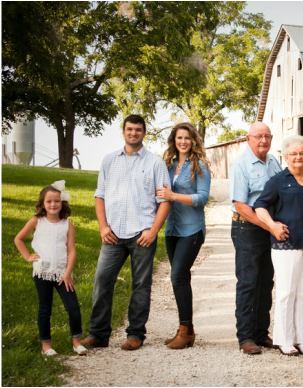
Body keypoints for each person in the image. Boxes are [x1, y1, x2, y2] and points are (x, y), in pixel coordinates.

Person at [82, 115, 171, 351]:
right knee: (102, 280)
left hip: (142, 234)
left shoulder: (155, 163)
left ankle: (135, 334)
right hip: (113, 235)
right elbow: (99, 196)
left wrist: (153, 232)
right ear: (123, 132)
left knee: (140, 284)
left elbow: (165, 201)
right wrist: (103, 227)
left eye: (138, 130)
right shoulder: (109, 160)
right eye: (130, 129)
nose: (134, 133)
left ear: (144, 133)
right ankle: (98, 334)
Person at [254, 135, 303, 356]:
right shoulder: (278, 181)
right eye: (294, 153)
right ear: (286, 157)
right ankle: (284, 340)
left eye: (302, 153)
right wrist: (272, 226)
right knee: (287, 292)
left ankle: (302, 340)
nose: (298, 157)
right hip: (287, 245)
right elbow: (260, 206)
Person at [14, 181, 88, 356]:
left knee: (73, 307)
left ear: (62, 203)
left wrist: (68, 274)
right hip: (42, 271)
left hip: (63, 273)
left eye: (57, 201)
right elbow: (19, 239)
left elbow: (71, 250)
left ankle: (76, 342)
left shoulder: (67, 225)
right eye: (49, 201)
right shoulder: (36, 221)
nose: (53, 204)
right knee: (45, 309)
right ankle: (46, 346)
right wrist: (27, 256)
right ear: (43, 204)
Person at [229, 122, 283, 355]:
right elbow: (240, 205)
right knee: (248, 282)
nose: (263, 140)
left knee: (266, 282)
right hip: (248, 229)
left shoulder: (273, 162)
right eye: (259, 136)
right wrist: (269, 226)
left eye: (267, 136)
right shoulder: (241, 164)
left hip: (269, 230)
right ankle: (246, 337)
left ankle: (261, 333)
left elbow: (285, 188)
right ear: (248, 139)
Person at [156, 122, 211, 349]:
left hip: (192, 230)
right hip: (172, 230)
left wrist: (173, 195)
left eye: (187, 138)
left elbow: (202, 198)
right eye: (179, 138)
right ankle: (186, 329)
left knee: (177, 276)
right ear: (174, 140)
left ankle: (185, 330)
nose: (183, 142)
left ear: (193, 140)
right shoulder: (167, 166)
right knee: (181, 278)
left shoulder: (200, 167)